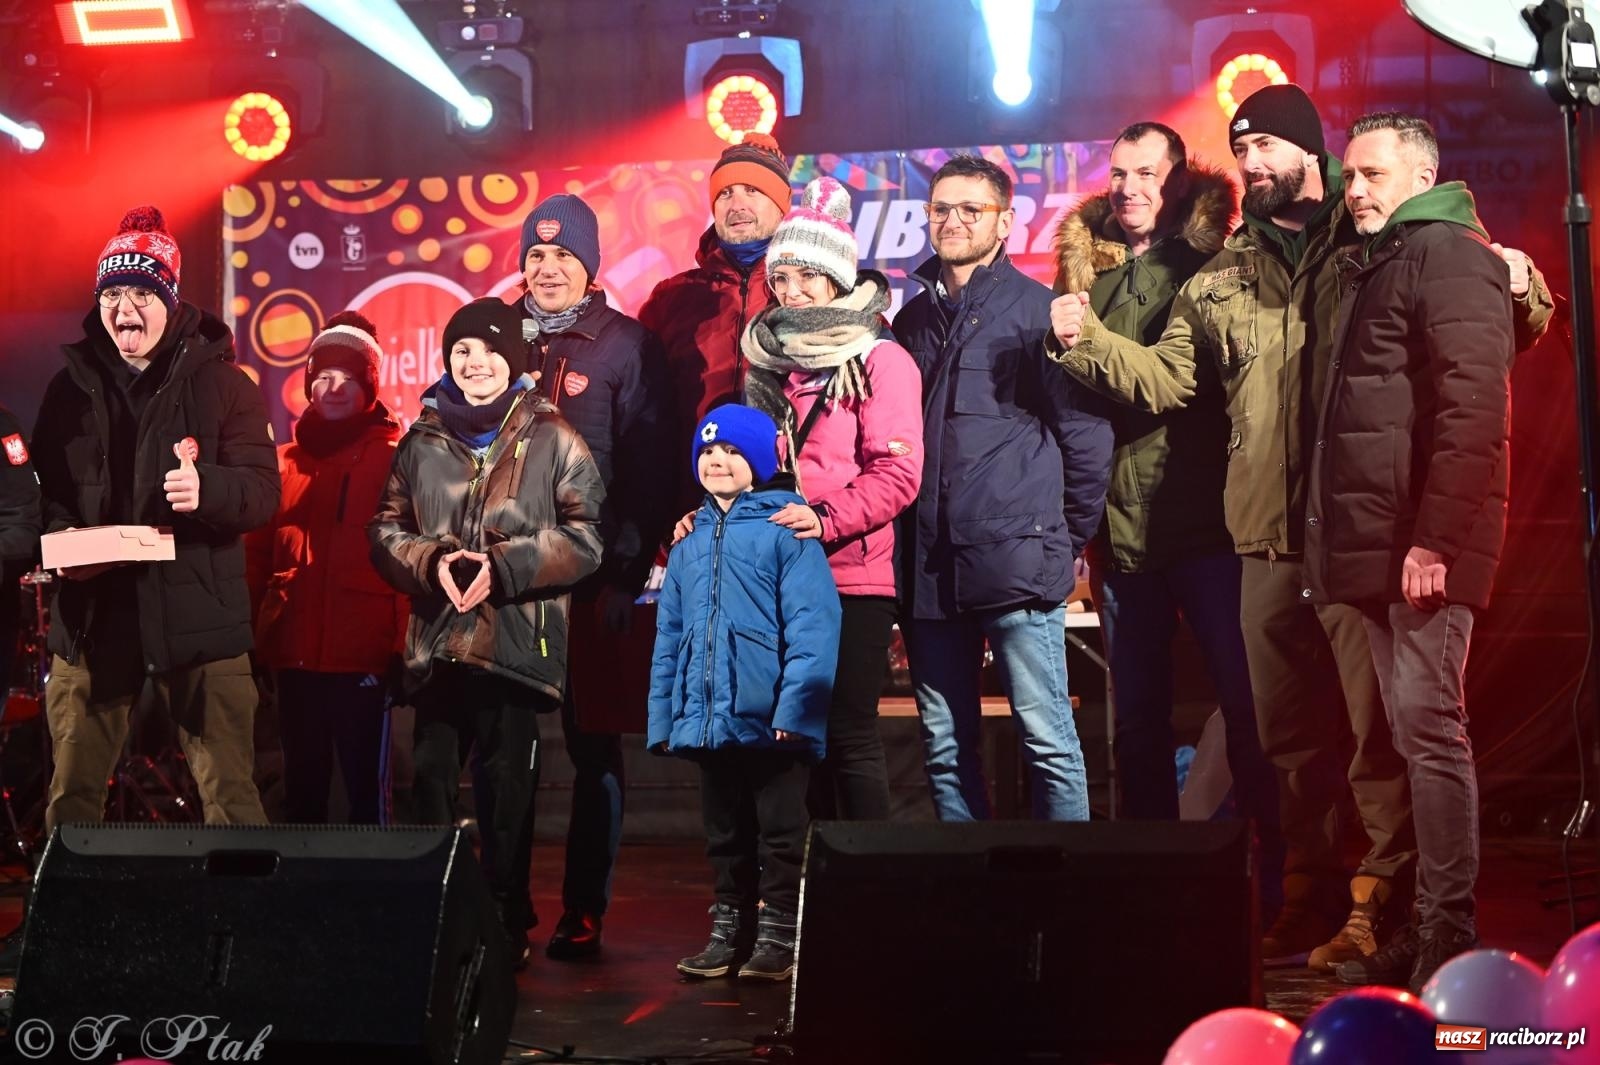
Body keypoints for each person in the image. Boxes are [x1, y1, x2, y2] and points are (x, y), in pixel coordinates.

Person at [1047, 85, 1553, 969]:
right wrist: (1083, 338)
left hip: (1361, 530)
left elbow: (1484, 337)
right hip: (1265, 538)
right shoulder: (1223, 273)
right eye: (1240, 153)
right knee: (1287, 742)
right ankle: (1311, 896)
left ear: (1312, 156)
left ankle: (1382, 906)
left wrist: (1525, 279)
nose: (1252, 167)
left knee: (1383, 736)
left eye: (1269, 150)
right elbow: (1169, 381)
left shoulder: (1374, 240)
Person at [1307, 113, 1514, 992]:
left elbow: (1475, 414)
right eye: (1349, 174)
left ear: (1422, 173)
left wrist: (1434, 537)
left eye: (1372, 174)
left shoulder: (1452, 253)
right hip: (1383, 542)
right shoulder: (1386, 257)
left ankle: (1448, 939)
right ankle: (1428, 926)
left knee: (1431, 734)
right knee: (1412, 732)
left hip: (1423, 547)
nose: (1354, 189)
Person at [1049, 122, 1282, 890]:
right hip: (1121, 532)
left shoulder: (1218, 267)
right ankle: (1143, 887)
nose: (1128, 186)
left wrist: (1081, 343)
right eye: (1118, 172)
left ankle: (1273, 875)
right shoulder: (1084, 278)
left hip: (1211, 524)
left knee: (1250, 711)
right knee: (1136, 723)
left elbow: (1170, 383)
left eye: (1146, 172)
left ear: (1177, 179)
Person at [368, 296, 604, 969]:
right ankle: (433, 911)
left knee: (508, 795)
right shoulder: (422, 439)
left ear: (515, 360)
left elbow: (587, 536)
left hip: (514, 644)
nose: (474, 363)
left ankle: (505, 918)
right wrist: (434, 561)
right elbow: (384, 530)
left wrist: (504, 566)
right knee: (432, 782)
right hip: (438, 643)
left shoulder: (554, 437)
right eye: (461, 351)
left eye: (488, 351)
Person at [31, 205, 277, 830]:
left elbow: (261, 492)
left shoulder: (227, 386)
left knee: (231, 800)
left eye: (141, 291)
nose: (124, 308)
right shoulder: (68, 389)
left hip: (201, 625)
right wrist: (62, 541)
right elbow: (47, 494)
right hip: (93, 621)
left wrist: (210, 489)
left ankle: (240, 925)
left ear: (170, 298)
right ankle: (67, 925)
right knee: (71, 802)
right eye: (112, 293)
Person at [893, 155, 1113, 822]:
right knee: (943, 744)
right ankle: (975, 904)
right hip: (928, 570)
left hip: (1016, 560)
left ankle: (1066, 902)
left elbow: (1086, 438)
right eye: (941, 209)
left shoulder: (1038, 313)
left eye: (971, 209)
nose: (953, 220)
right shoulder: (910, 324)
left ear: (1005, 222)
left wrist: (1063, 538)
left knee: (1046, 737)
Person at [511, 192, 670, 959]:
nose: (547, 269)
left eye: (562, 256)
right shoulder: (493, 337)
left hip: (588, 579)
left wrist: (625, 571)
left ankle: (584, 908)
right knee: (505, 748)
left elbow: (649, 470)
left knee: (593, 748)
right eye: (535, 256)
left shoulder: (625, 344)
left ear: (590, 265)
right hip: (506, 584)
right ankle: (505, 906)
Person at [738, 176, 923, 821]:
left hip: (851, 579)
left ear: (838, 279)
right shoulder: (769, 362)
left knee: (847, 734)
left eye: (806, 275)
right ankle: (804, 893)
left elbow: (897, 474)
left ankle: (872, 888)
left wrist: (822, 518)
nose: (791, 292)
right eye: (780, 278)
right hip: (780, 579)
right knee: (791, 742)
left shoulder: (880, 359)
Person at [648, 404, 840, 982]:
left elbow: (814, 627)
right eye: (707, 452)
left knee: (781, 831)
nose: (718, 461)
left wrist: (797, 710)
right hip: (710, 720)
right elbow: (669, 639)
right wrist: (665, 720)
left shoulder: (787, 532)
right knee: (725, 832)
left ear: (759, 461)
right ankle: (730, 929)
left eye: (732, 451)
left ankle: (780, 931)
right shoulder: (685, 545)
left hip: (772, 719)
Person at [245, 311, 405, 824]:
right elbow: (254, 555)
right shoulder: (281, 462)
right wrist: (250, 637)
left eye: (349, 379)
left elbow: (409, 560)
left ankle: (372, 903)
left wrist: (403, 646)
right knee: (301, 793)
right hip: (290, 652)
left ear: (370, 387)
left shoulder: (397, 460)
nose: (334, 388)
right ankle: (301, 900)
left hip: (365, 653)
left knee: (366, 795)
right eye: (323, 377)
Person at [639, 132, 792, 508]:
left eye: (753, 191)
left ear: (781, 205)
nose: (737, 204)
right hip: (692, 510)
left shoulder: (814, 293)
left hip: (791, 505)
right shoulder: (670, 299)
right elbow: (640, 415)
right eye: (725, 193)